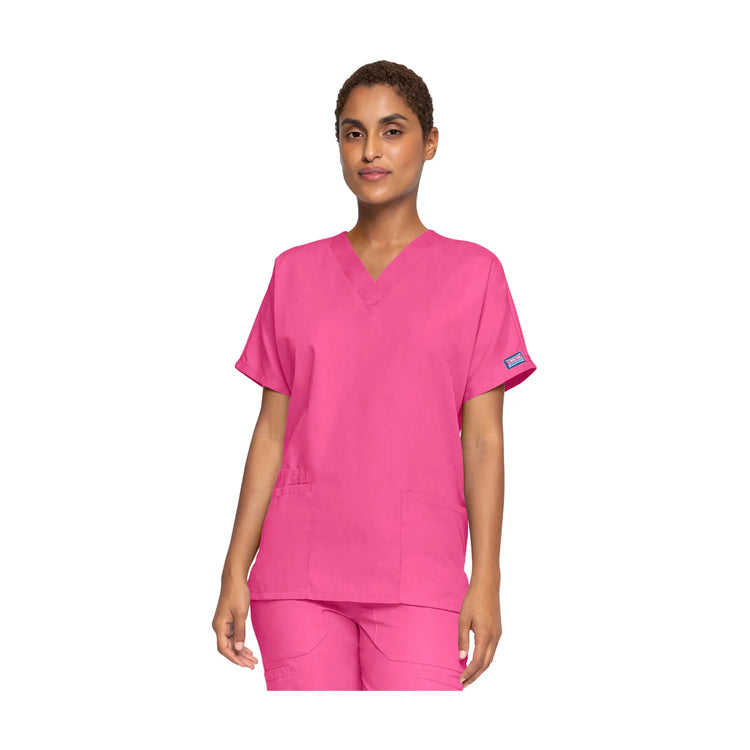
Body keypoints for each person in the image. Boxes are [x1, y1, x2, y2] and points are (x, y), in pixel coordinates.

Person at [212, 60, 537, 691]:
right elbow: (271, 433)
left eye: (392, 131)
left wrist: (488, 578)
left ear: (430, 142)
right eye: (353, 133)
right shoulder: (294, 272)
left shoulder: (475, 275)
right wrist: (234, 567)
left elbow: (483, 440)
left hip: (420, 573)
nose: (370, 151)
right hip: (297, 575)